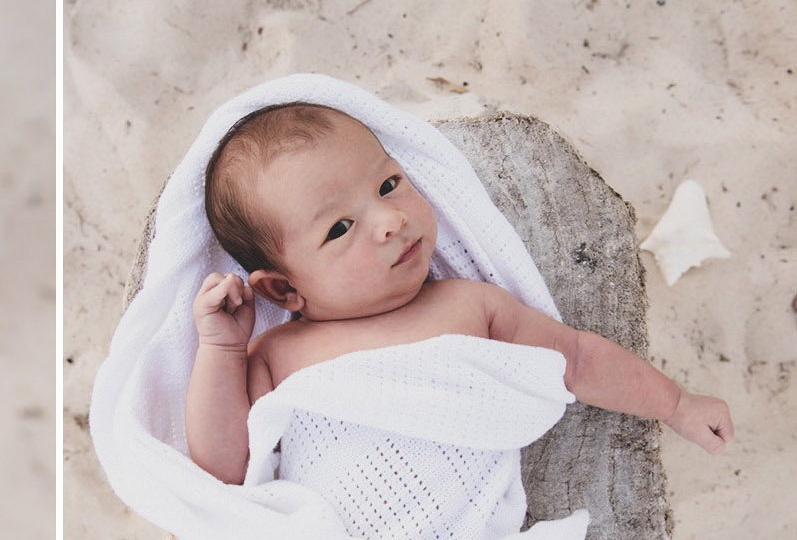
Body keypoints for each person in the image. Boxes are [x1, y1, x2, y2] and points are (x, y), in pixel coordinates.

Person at [183, 101, 732, 486]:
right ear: (283, 288)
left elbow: (580, 359)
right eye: (340, 228)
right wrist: (223, 351)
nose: (390, 221)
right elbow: (225, 466)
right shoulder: (277, 356)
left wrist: (676, 404)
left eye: (388, 185)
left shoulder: (469, 305)